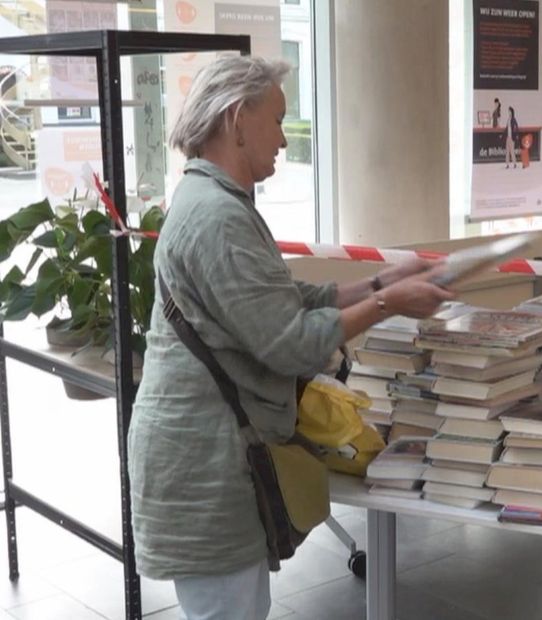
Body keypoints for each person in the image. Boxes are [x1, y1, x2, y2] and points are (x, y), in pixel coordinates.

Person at [127, 56, 454, 620]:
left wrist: (376, 282)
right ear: (236, 119)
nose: (283, 138)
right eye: (276, 120)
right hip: (205, 466)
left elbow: (275, 305)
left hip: (204, 459)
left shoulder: (212, 203)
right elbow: (289, 342)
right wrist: (388, 304)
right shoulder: (217, 218)